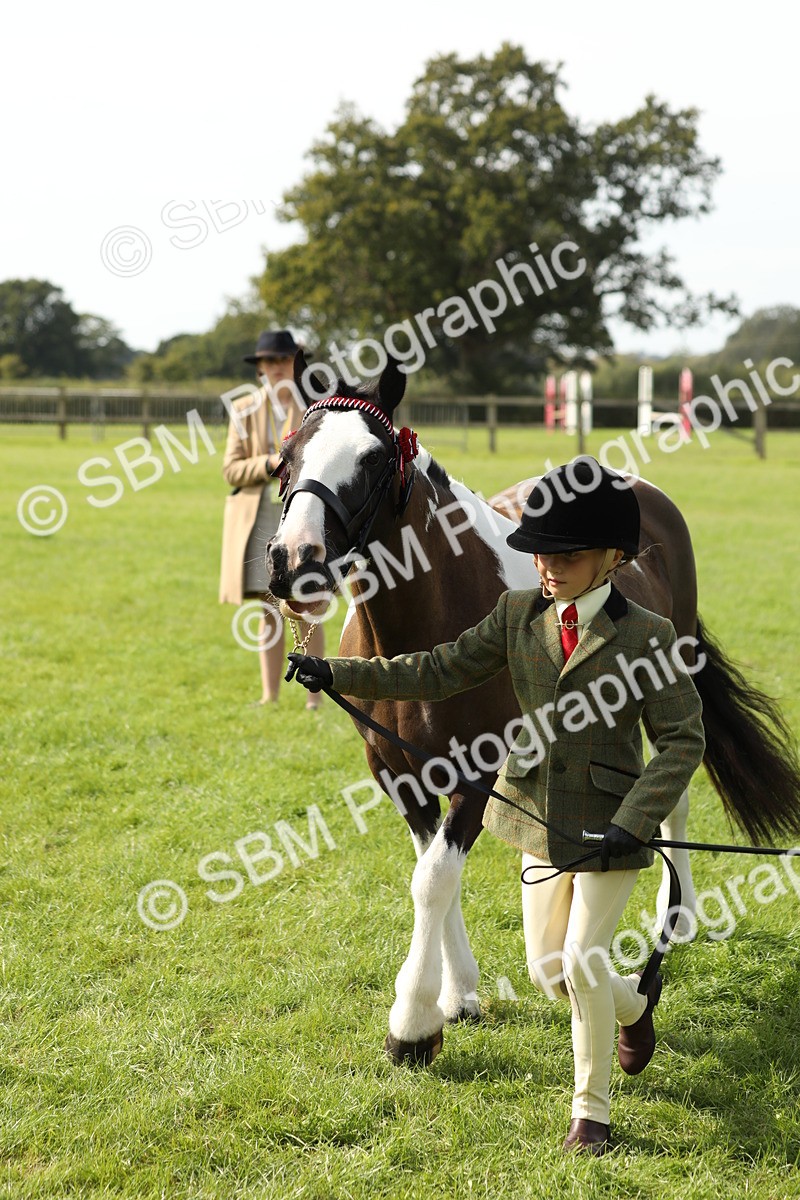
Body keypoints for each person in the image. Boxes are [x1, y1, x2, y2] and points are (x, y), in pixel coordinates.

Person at [285, 457, 706, 1155]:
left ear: (612, 560)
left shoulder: (649, 637)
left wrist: (636, 822)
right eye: (539, 553)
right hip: (538, 823)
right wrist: (339, 671)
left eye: (564, 556)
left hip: (613, 827)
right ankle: (634, 1007)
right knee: (550, 972)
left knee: (581, 959)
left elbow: (682, 742)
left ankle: (591, 1116)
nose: (546, 566)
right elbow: (437, 668)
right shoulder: (516, 615)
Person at [219, 329, 324, 708]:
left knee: (310, 604)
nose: (276, 368)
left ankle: (316, 695)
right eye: (269, 361)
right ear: (260, 367)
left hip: (303, 509)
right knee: (267, 608)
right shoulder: (245, 408)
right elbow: (230, 470)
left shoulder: (316, 406)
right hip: (259, 513)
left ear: (295, 363)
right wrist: (267, 463)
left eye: (283, 360)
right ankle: (270, 695)